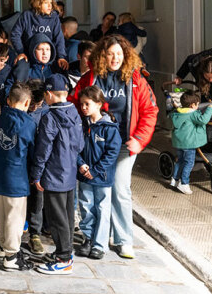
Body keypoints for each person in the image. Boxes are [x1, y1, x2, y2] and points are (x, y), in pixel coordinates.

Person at [70, 35, 158, 259]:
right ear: (102, 55)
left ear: (126, 55)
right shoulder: (91, 79)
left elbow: (150, 110)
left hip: (123, 145)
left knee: (119, 189)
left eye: (119, 54)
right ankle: (96, 236)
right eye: (110, 53)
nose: (115, 58)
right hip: (95, 145)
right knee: (91, 192)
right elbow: (74, 102)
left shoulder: (136, 79)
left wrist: (139, 139)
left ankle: (123, 239)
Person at [30, 75, 85, 274]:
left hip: (53, 175)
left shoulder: (49, 117)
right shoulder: (75, 113)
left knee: (57, 219)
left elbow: (43, 150)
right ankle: (65, 252)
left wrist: (36, 175)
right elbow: (80, 144)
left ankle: (63, 260)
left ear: (50, 94)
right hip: (69, 174)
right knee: (68, 217)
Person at [0, 83, 36, 271]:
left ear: (8, 101)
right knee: (14, 218)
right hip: (17, 177)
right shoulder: (29, 123)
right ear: (27, 103)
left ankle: (3, 247)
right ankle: (11, 257)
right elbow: (33, 151)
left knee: (1, 214)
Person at [75, 86, 121, 260]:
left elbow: (111, 154)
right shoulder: (81, 125)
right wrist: (80, 164)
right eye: (81, 104)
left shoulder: (109, 128)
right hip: (85, 175)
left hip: (101, 177)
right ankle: (88, 238)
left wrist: (95, 170)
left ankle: (100, 244)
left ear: (99, 104)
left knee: (102, 208)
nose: (83, 107)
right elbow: (76, 148)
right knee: (86, 207)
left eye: (87, 104)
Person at [10, 0, 68, 71]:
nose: (49, 6)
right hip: (28, 56)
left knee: (62, 69)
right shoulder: (27, 15)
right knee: (20, 69)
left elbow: (59, 38)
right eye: (46, 3)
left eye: (51, 3)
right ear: (37, 3)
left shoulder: (54, 17)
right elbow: (15, 34)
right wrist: (21, 52)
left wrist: (61, 56)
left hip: (48, 58)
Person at [169, 91, 212, 194]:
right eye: (197, 104)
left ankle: (175, 180)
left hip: (179, 142)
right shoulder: (192, 114)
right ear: (192, 105)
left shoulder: (177, 112)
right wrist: (210, 109)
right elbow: (203, 120)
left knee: (180, 161)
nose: (198, 107)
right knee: (189, 163)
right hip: (189, 144)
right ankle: (184, 184)